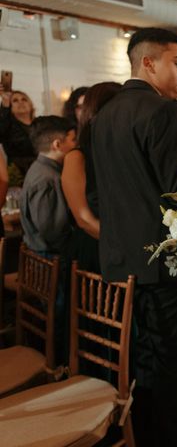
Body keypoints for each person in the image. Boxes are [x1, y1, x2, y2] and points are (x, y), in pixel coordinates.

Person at [91, 28, 177, 447]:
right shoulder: (165, 113)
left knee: (144, 364)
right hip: (165, 269)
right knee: (172, 368)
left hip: (120, 264)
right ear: (149, 63)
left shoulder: (105, 112)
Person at [20, 115, 77, 365]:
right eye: (72, 139)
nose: (75, 145)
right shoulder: (47, 178)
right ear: (57, 144)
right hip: (51, 260)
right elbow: (52, 232)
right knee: (60, 321)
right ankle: (60, 367)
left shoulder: (41, 168)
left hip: (43, 257)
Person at [61, 82, 121, 272]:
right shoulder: (77, 157)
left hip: (125, 248)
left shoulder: (122, 152)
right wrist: (123, 245)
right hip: (96, 251)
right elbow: (84, 219)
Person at [0, 88, 37, 175]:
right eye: (15, 100)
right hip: (19, 176)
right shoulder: (7, 127)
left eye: (24, 99)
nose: (21, 102)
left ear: (30, 105)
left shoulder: (41, 124)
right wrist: (5, 104)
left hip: (45, 173)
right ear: (10, 107)